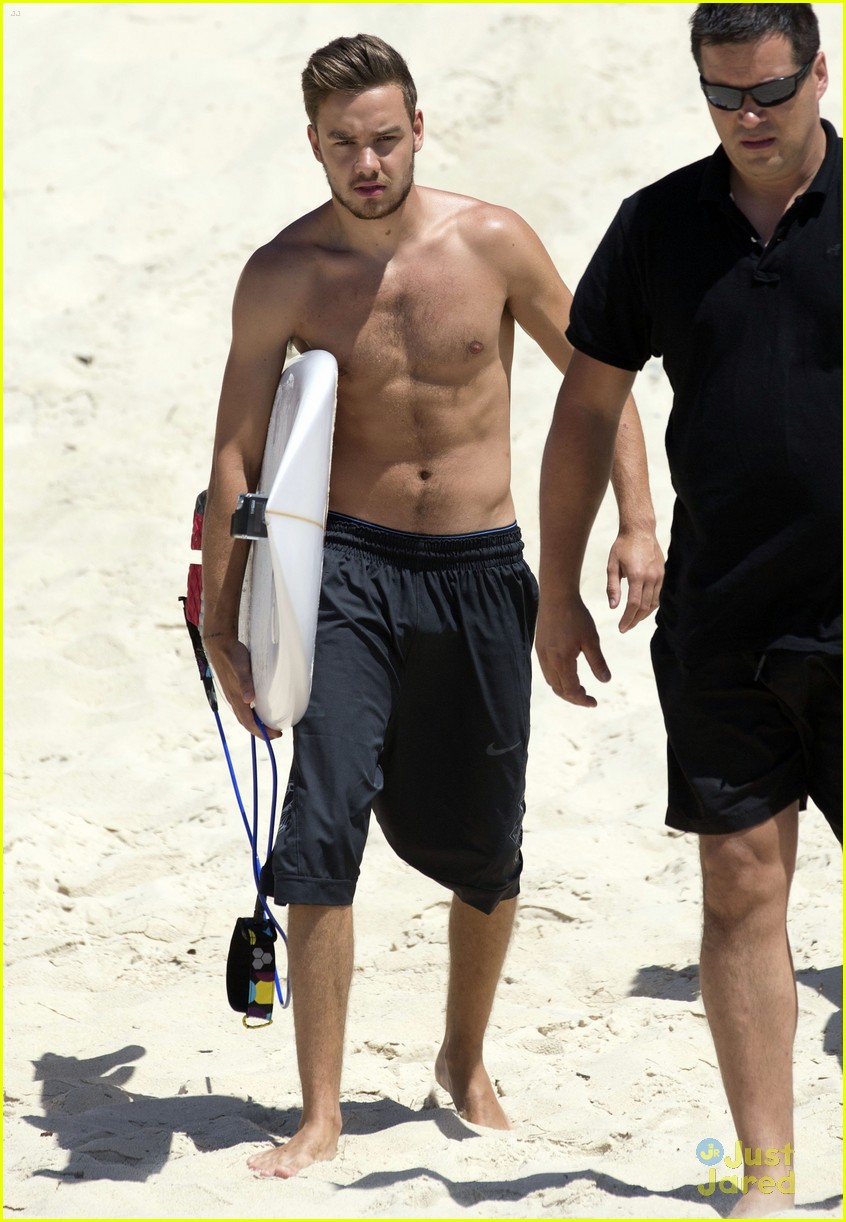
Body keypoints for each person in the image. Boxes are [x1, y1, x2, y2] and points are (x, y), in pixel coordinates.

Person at [201, 33, 663, 1179]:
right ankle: (320, 1111)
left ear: (419, 127)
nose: (366, 164)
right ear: (313, 144)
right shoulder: (282, 274)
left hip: (479, 570)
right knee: (320, 825)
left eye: (384, 138)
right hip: (346, 570)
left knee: (489, 848)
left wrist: (638, 522)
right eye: (342, 145)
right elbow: (237, 451)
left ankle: (464, 1057)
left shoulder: (492, 242)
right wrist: (221, 611)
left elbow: (599, 382)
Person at [535, 4, 841, 1216]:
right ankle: (767, 1178)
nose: (747, 118)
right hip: (723, 619)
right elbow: (584, 410)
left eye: (768, 90)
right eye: (722, 96)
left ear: (820, 73)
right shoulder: (658, 225)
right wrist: (558, 587)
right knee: (741, 889)